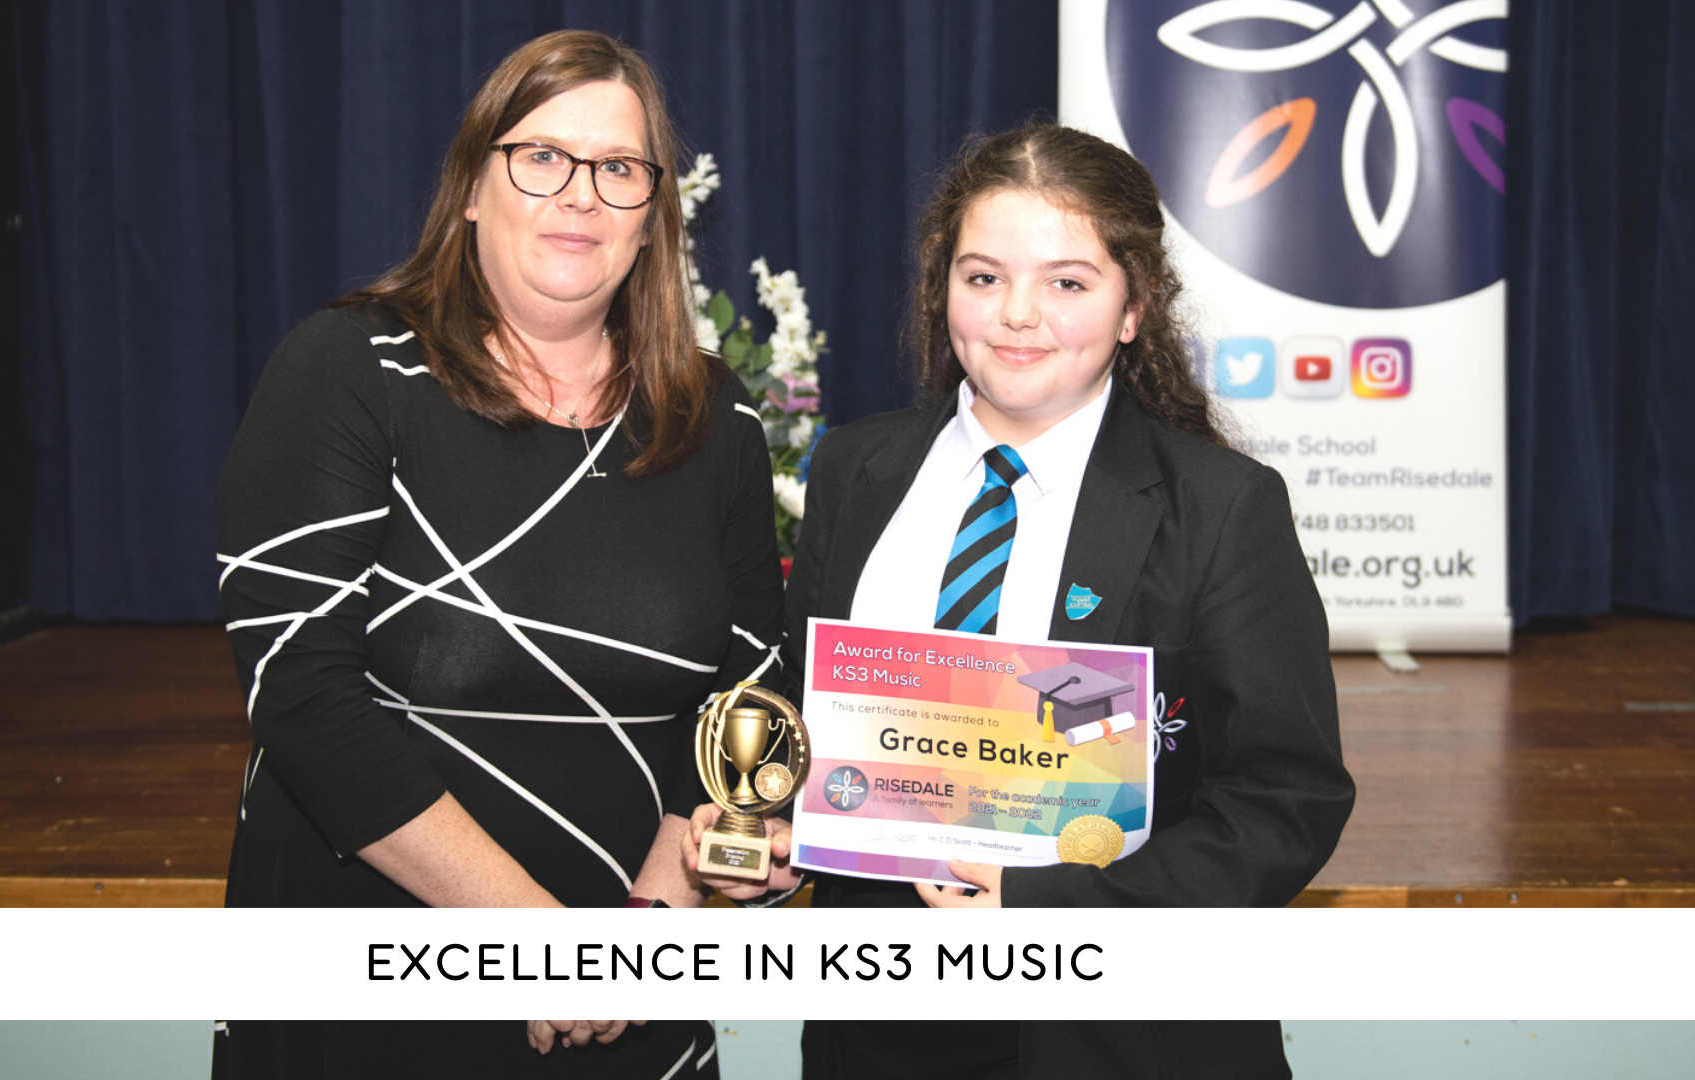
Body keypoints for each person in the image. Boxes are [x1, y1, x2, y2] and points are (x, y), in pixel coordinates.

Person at [684, 123, 1352, 1078]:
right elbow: (808, 719)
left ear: (1134, 307)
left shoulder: (1221, 508)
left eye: (1068, 283)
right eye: (984, 276)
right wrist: (777, 833)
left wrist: (1050, 916)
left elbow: (1287, 801)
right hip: (878, 1028)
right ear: (942, 287)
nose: (1017, 315)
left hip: (1116, 1036)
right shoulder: (856, 471)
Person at [213, 28, 778, 1078]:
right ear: (473, 185)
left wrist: (647, 929)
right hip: (369, 988)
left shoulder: (715, 416)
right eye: (542, 157)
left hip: (630, 995)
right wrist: (539, 942)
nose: (581, 196)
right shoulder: (347, 370)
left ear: (653, 215)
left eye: (619, 169)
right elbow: (300, 695)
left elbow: (743, 696)